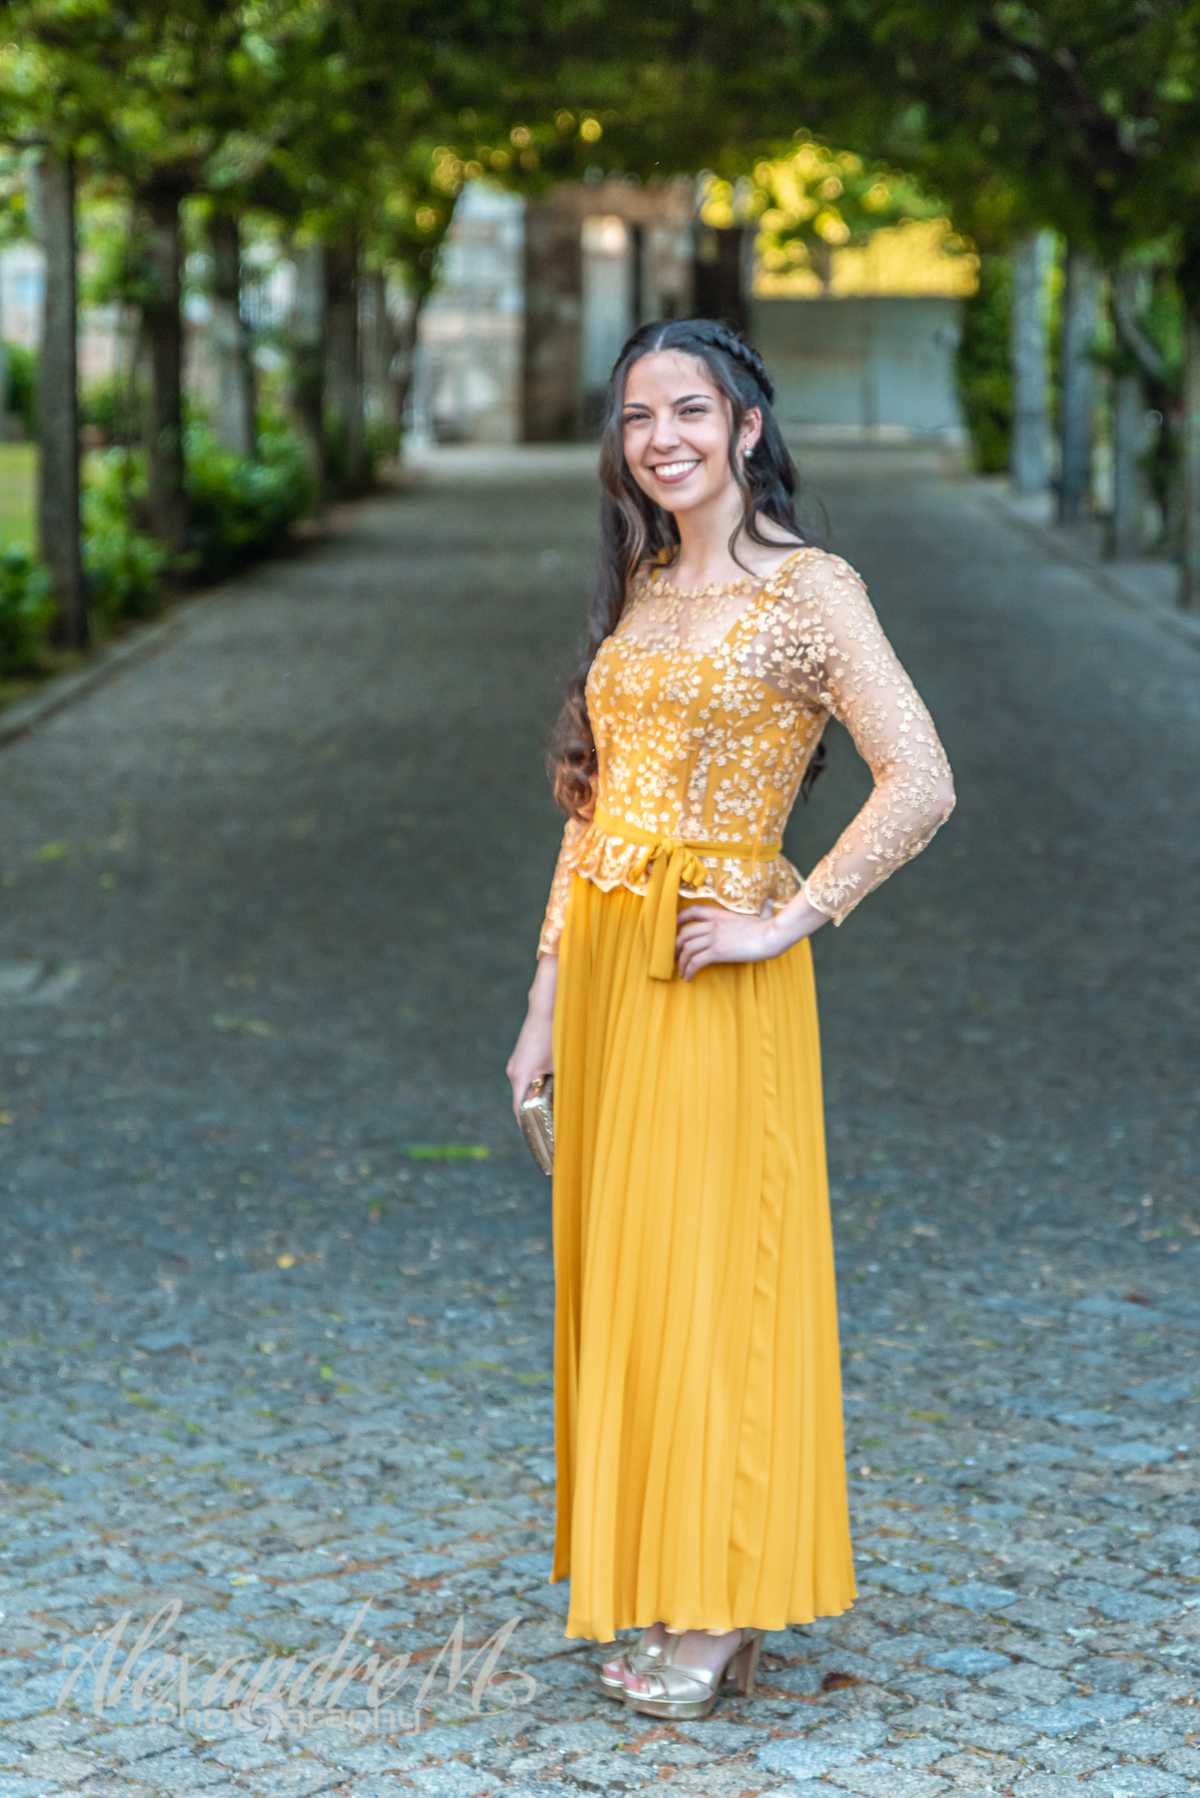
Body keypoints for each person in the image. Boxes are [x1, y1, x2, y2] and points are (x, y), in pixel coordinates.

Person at [506, 318, 955, 1721]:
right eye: (639, 417)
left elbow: (921, 776)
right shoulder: (643, 582)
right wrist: (542, 1004)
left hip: (718, 970)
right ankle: (669, 1571)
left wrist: (790, 915)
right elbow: (594, 810)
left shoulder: (813, 590)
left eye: (690, 411)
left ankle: (720, 1605)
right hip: (609, 970)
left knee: (717, 1281)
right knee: (636, 1286)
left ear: (747, 427)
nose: (662, 440)